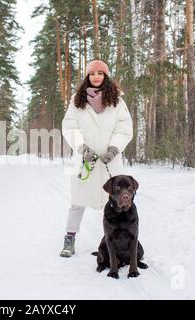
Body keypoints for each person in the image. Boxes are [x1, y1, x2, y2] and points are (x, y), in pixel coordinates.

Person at [60, 60, 134, 258]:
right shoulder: (78, 100)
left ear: (105, 76)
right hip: (86, 161)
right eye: (92, 73)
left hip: (110, 162)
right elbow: (69, 127)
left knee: (116, 203)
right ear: (87, 76)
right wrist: (82, 148)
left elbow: (124, 128)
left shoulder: (117, 101)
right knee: (77, 201)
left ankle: (116, 243)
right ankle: (69, 238)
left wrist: (113, 149)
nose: (96, 76)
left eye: (100, 73)